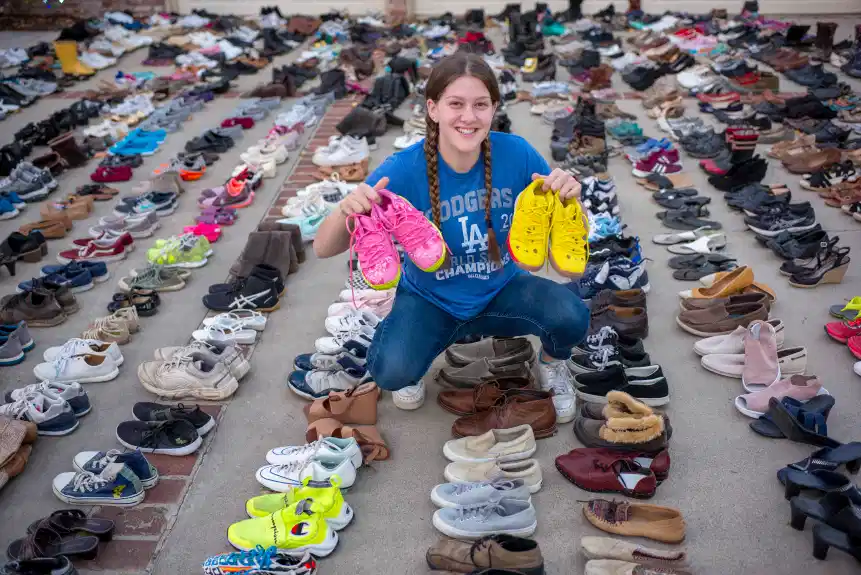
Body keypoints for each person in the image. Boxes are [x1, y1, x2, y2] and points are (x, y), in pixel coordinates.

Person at [313, 52, 590, 421]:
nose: (468, 116)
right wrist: (348, 207)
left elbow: (576, 230)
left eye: (480, 105)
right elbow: (322, 248)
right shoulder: (403, 168)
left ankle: (552, 366)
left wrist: (574, 199)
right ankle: (405, 336)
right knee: (392, 373)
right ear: (433, 109)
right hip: (431, 298)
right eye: (455, 104)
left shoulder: (517, 153)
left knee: (573, 315)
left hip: (501, 291)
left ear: (493, 109)